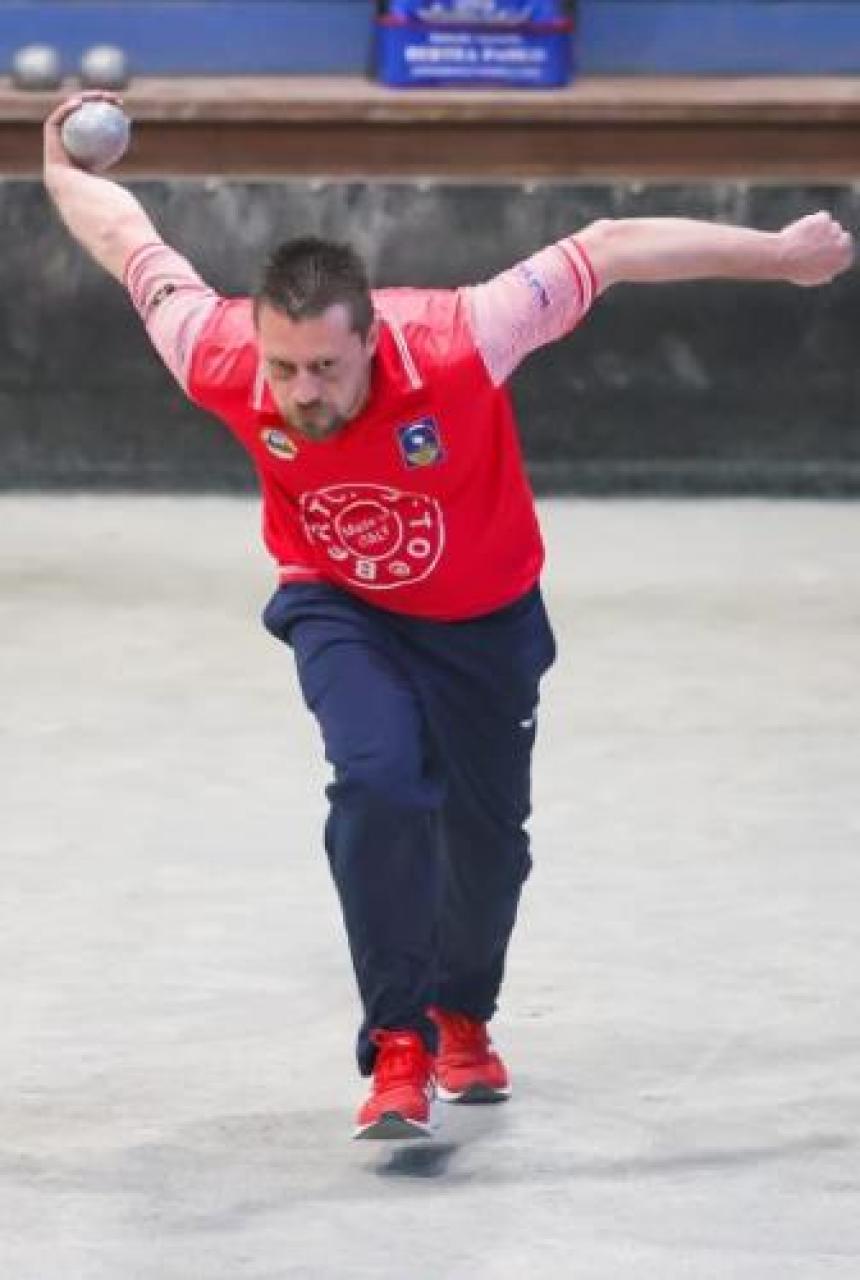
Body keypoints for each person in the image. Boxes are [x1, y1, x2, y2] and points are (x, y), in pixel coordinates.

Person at [43, 92, 853, 1141]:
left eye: (325, 368)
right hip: (339, 602)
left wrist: (778, 255)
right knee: (377, 779)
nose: (301, 392)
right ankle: (396, 1042)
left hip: (485, 618)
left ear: (372, 341)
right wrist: (59, 164)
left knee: (487, 843)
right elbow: (131, 243)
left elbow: (608, 246)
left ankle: (461, 1013)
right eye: (284, 367)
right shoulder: (218, 354)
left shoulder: (464, 335)